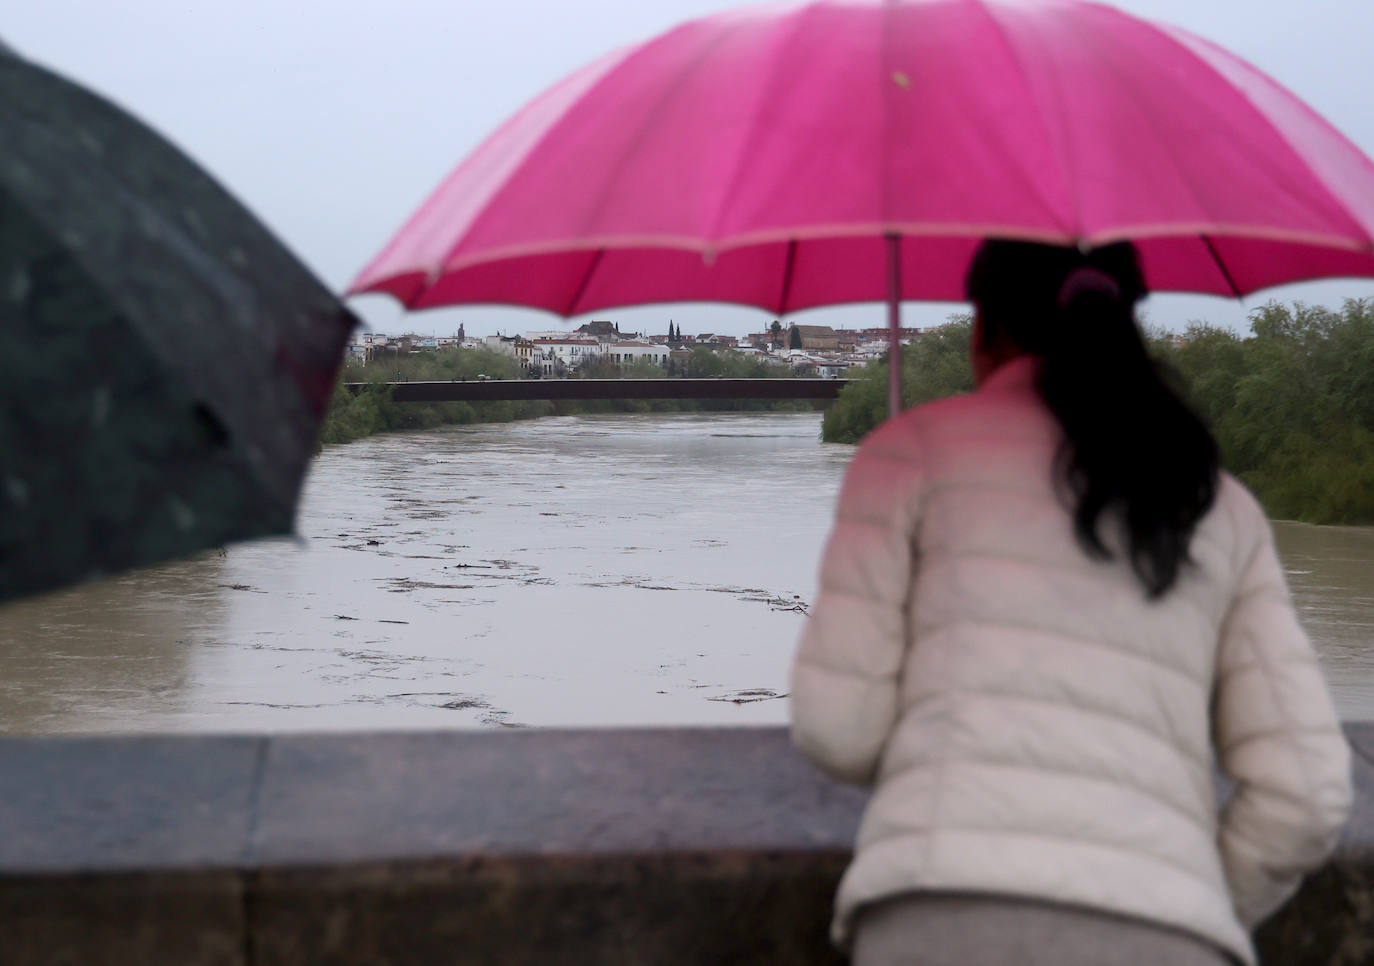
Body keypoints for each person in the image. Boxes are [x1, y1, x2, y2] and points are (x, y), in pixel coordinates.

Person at [789, 239, 1352, 966]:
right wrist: (1193, 902)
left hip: (935, 913)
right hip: (1164, 934)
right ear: (1128, 324)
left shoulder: (908, 454)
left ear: (984, 329)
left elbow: (839, 730)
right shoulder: (1215, 503)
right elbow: (1307, 795)